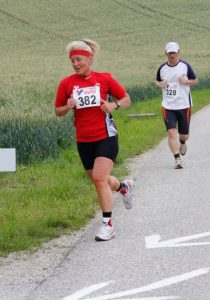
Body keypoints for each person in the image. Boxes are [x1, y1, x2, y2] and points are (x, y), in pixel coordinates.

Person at [54, 38, 134, 242]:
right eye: (72, 61)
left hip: (106, 136)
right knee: (100, 180)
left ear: (89, 59)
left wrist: (113, 106)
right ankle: (123, 188)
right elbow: (58, 111)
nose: (75, 64)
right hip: (84, 139)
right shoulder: (67, 83)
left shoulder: (104, 79)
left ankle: (108, 225)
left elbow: (126, 99)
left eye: (79, 59)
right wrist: (68, 106)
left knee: (99, 178)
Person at [155, 42, 198, 169]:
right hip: (168, 106)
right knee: (171, 132)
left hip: (184, 105)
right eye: (170, 53)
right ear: (166, 54)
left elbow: (195, 80)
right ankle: (177, 159)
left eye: (174, 52)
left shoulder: (185, 66)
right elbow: (157, 81)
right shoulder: (162, 68)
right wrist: (160, 84)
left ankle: (182, 142)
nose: (172, 55)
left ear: (178, 52)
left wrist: (186, 82)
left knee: (184, 134)